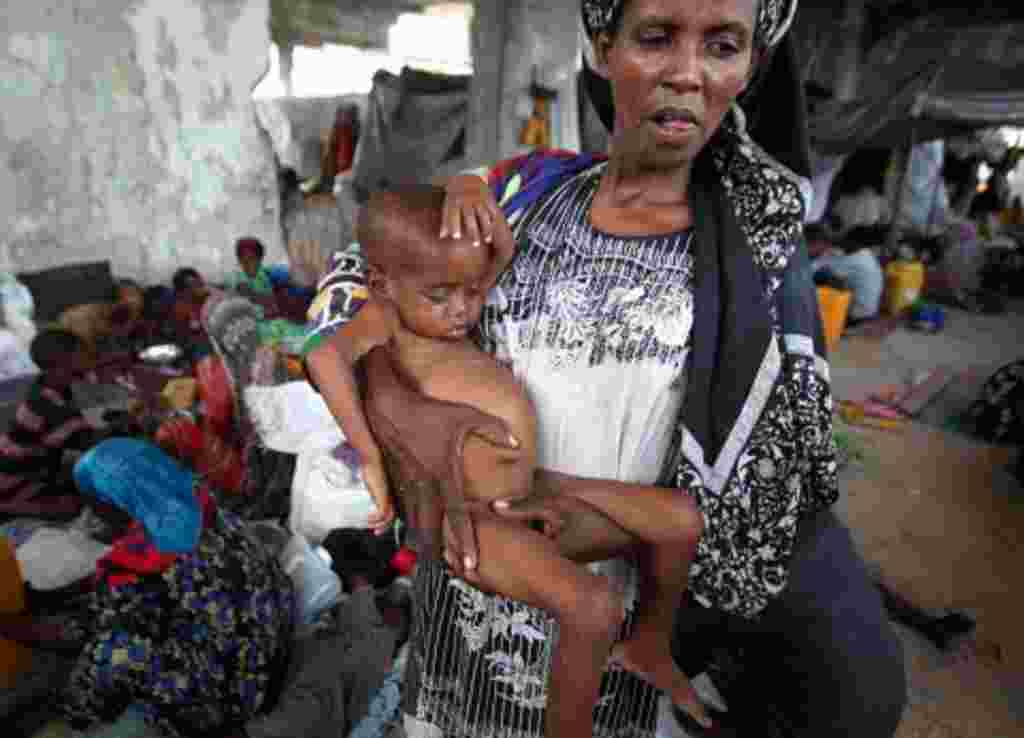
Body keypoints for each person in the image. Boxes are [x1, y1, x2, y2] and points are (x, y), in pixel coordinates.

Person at [305, 1, 906, 736]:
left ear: (750, 67)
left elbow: (760, 513)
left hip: (600, 651)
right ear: (601, 44)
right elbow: (348, 293)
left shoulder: (756, 267)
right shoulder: (522, 192)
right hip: (461, 606)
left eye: (723, 45)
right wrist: (400, 407)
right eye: (656, 37)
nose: (687, 72)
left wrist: (548, 494)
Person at [336, 185, 708, 734]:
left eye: (471, 292)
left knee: (681, 520)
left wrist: (468, 186)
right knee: (593, 607)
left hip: (529, 492)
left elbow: (497, 255)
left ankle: (649, 646)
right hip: (470, 526)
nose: (463, 308)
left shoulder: (445, 300)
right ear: (382, 285)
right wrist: (370, 450)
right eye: (442, 296)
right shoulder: (387, 326)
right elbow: (321, 356)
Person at [0, 438, 295, 737]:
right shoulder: (201, 507)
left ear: (122, 504)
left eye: (96, 506)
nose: (91, 517)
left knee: (101, 678)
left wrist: (71, 711)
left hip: (228, 695)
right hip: (265, 649)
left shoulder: (145, 568)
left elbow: (108, 654)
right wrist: (60, 596)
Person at [0, 330, 98, 520]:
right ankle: (8, 507)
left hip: (28, 468)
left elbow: (77, 432)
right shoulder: (49, 404)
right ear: (64, 362)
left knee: (75, 481)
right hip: (11, 481)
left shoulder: (49, 386)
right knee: (70, 507)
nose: (89, 358)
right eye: (82, 354)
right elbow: (90, 442)